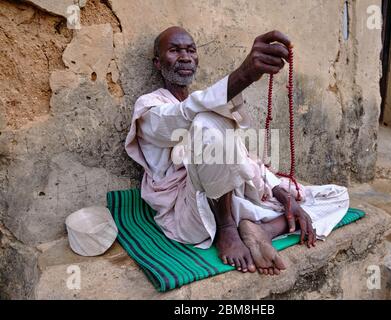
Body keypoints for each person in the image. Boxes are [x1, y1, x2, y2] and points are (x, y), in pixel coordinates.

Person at [125, 26, 349, 276]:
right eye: (175, 51)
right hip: (193, 210)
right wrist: (244, 74)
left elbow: (244, 157)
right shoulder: (150, 106)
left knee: (337, 196)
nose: (185, 57)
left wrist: (283, 195)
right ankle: (227, 229)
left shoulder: (209, 104)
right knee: (206, 121)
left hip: (233, 195)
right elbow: (182, 117)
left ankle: (264, 231)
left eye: (190, 50)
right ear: (158, 62)